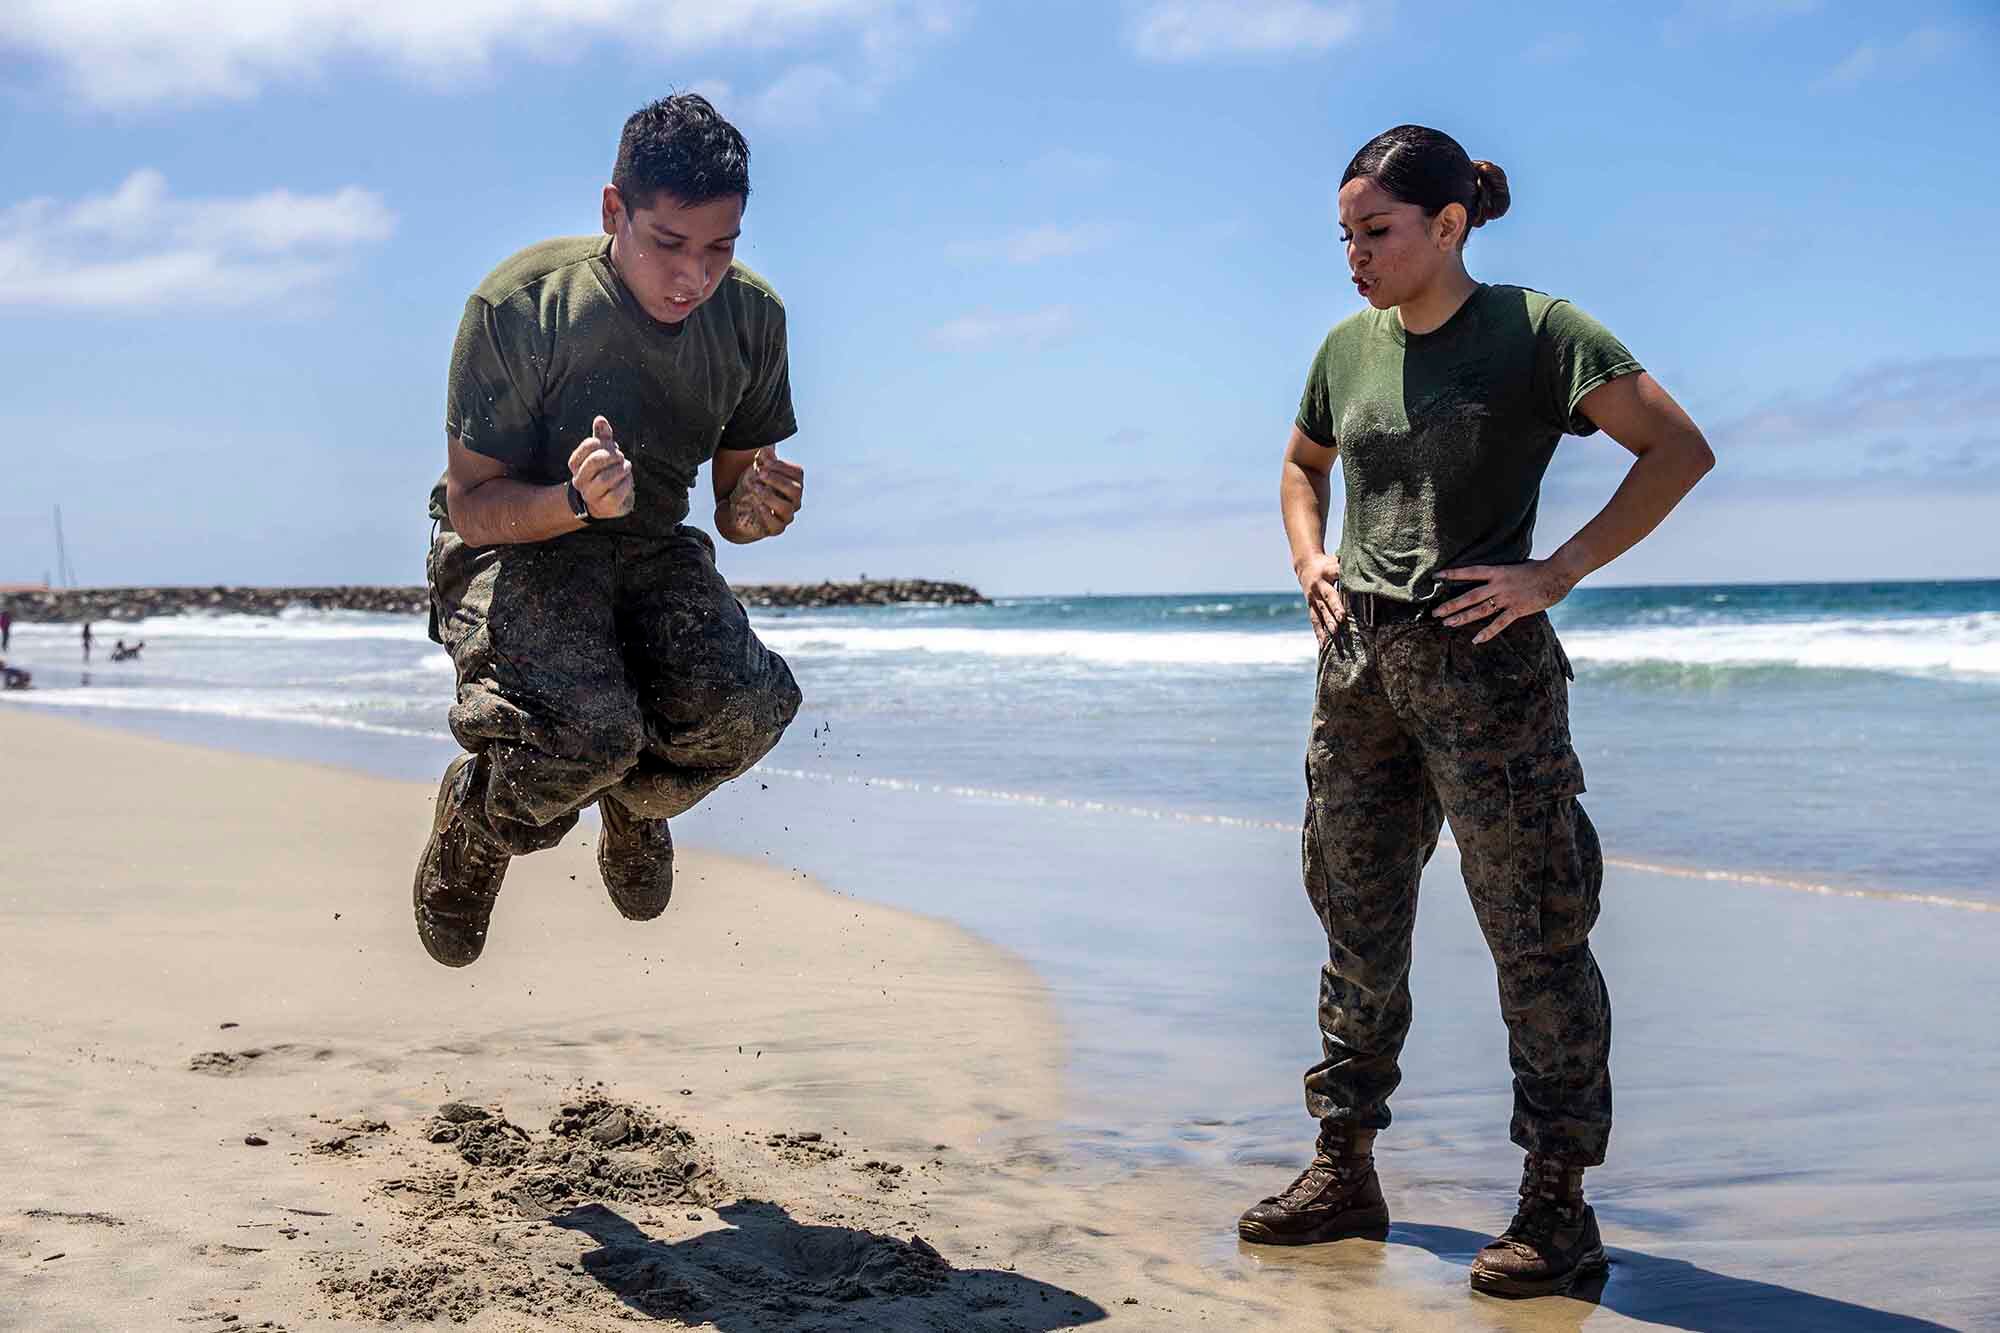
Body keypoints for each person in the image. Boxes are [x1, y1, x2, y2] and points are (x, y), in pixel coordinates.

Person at [1238, 126, 1713, 1299]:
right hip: (1357, 672)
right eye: (1343, 235)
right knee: (1354, 917)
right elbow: (1300, 466)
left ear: (1447, 225)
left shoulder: (1538, 332)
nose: (1353, 255)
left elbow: (1676, 448)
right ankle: (1342, 1165)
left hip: (1485, 669)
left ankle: (1555, 1205)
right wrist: (1309, 559)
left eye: (1375, 232)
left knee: (1535, 933)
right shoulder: (1343, 348)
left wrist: (1552, 572)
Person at [415, 93, 806, 968]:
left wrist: (753, 512)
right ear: (612, 213)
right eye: (668, 244)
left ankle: (637, 804)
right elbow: (472, 502)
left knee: (749, 712)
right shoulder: (520, 307)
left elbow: (735, 501)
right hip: (512, 546)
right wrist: (572, 502)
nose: (692, 277)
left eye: (719, 249)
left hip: (652, 545)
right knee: (584, 735)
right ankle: (478, 822)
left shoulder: (752, 320)